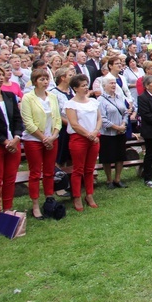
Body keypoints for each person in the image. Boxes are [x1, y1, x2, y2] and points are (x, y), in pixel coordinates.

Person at [21, 69, 61, 219]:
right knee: (35, 173)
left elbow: (57, 119)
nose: (45, 82)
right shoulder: (28, 98)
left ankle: (49, 200)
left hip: (52, 138)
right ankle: (35, 205)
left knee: (50, 171)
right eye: (41, 79)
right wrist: (43, 138)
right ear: (34, 81)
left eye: (47, 79)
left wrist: (53, 136)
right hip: (34, 140)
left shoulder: (52, 97)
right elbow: (28, 122)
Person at [65, 74, 102, 211]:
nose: (86, 87)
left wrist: (95, 132)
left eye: (87, 84)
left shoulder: (93, 101)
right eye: (82, 85)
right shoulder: (71, 104)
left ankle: (89, 194)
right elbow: (74, 124)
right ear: (75, 88)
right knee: (78, 169)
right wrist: (88, 135)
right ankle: (77, 196)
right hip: (79, 139)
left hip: (94, 137)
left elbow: (99, 119)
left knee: (89, 169)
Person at [98, 76, 130, 189]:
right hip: (108, 134)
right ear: (104, 85)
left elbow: (125, 112)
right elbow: (102, 118)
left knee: (120, 156)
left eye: (114, 83)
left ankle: (117, 178)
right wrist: (117, 127)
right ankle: (109, 179)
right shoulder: (100, 100)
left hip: (120, 132)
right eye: (111, 83)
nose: (113, 85)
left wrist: (123, 125)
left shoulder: (118, 97)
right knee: (107, 157)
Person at [0, 65, 23, 212]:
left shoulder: (9, 96)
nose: (1, 77)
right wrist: (4, 141)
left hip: (13, 143)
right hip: (1, 144)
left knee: (9, 179)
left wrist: (16, 137)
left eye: (2, 75)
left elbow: (17, 119)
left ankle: (8, 209)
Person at [50, 64, 75, 167]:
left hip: (73, 128)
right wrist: (70, 123)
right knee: (61, 156)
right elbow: (55, 114)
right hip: (62, 129)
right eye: (70, 75)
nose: (73, 77)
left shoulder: (72, 91)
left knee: (71, 156)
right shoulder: (53, 93)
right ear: (63, 78)